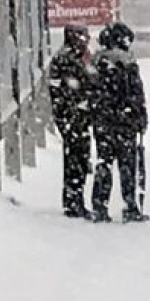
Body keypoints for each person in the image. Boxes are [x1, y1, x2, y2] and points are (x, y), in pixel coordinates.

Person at [90, 22, 150, 223]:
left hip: (104, 122)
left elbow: (93, 94)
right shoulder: (128, 65)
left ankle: (100, 204)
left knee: (104, 163)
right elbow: (136, 95)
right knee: (127, 165)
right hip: (125, 123)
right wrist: (140, 118)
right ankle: (130, 204)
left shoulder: (97, 63)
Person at [48, 25, 94, 219]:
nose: (87, 40)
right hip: (73, 117)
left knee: (77, 158)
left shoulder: (71, 57)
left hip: (73, 117)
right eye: (84, 36)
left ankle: (74, 199)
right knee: (76, 159)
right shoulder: (69, 59)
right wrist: (81, 105)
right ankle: (74, 201)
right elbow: (69, 89)